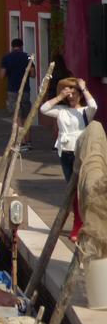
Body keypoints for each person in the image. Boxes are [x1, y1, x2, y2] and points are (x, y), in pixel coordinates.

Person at [40, 77, 97, 241]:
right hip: (65, 153)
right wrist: (59, 97)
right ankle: (78, 224)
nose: (71, 96)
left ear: (79, 95)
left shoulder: (85, 111)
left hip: (81, 153)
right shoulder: (61, 110)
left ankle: (82, 224)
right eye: (69, 93)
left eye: (74, 93)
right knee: (72, 191)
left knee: (82, 190)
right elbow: (44, 109)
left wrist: (84, 88)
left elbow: (94, 105)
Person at [0, 38, 33, 150]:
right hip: (26, 90)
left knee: (17, 117)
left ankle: (21, 142)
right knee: (26, 116)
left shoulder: (7, 58)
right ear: (22, 46)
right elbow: (33, 74)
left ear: (12, 46)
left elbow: (2, 75)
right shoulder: (28, 57)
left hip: (13, 90)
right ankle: (28, 141)